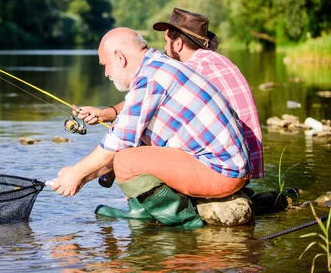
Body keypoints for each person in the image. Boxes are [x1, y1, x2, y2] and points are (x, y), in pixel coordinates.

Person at [52, 27, 252, 228]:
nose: (105, 73)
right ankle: (144, 211)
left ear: (120, 58)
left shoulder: (151, 77)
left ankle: (183, 220)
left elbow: (118, 143)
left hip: (222, 172)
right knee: (131, 148)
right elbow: (123, 134)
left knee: (125, 159)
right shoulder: (157, 67)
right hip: (226, 166)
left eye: (105, 65)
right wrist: (80, 178)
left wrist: (75, 173)